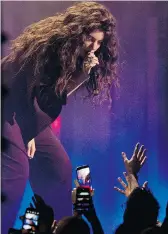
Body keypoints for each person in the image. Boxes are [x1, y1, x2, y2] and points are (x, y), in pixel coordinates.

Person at [1, 2, 118, 233]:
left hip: (24, 110)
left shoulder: (71, 52)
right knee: (16, 173)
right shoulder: (50, 47)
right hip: (6, 104)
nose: (93, 47)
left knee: (58, 166)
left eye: (99, 42)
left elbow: (45, 96)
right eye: (89, 39)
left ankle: (63, 228)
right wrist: (82, 76)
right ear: (77, 31)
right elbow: (45, 98)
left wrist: (30, 130)